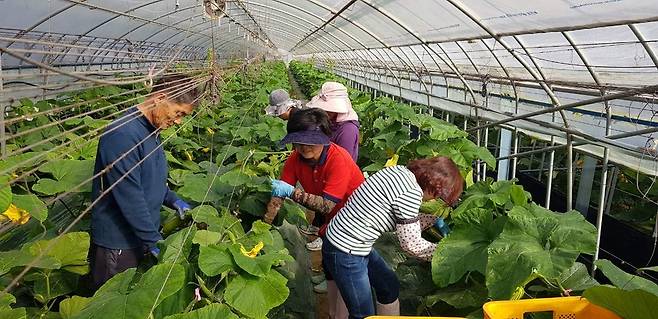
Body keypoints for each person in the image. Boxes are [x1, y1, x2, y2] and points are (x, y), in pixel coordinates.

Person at [89, 75, 198, 290]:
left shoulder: (152, 129)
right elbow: (129, 196)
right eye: (179, 113)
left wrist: (173, 200)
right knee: (112, 305)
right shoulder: (122, 134)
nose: (178, 121)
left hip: (138, 237)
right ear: (160, 97)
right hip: (117, 243)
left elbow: (150, 178)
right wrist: (155, 242)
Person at [323, 157, 464, 318]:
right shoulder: (411, 193)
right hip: (346, 250)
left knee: (389, 287)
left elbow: (403, 218)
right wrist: (446, 253)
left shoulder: (400, 172)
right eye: (441, 198)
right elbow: (411, 244)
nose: (435, 200)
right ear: (436, 188)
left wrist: (433, 221)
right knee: (363, 313)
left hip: (349, 241)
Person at [264, 108, 364, 319]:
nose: (303, 147)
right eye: (298, 142)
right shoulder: (295, 159)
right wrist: (264, 225)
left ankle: (344, 310)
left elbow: (326, 205)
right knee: (329, 257)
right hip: (332, 219)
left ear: (324, 139)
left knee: (345, 266)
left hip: (356, 219)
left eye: (310, 141)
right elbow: (278, 195)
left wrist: (292, 192)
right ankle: (333, 300)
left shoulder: (339, 159)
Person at [306, 81, 359, 162]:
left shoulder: (348, 130)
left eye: (328, 109)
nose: (323, 110)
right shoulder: (329, 121)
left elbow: (343, 162)